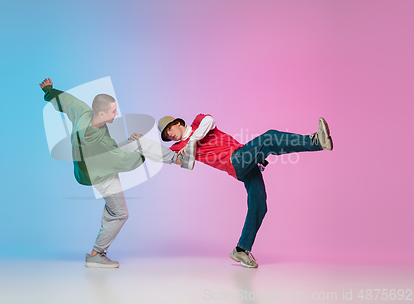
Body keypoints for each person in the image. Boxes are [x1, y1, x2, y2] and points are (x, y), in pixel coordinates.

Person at [39, 78, 194, 268]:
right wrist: (142, 154)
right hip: (98, 173)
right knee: (120, 213)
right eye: (113, 111)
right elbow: (123, 162)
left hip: (102, 160)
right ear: (102, 113)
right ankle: (96, 254)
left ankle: (179, 160)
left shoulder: (83, 112)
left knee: (139, 143)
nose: (116, 113)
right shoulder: (99, 145)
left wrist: (49, 91)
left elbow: (66, 101)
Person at [157, 114, 333, 268]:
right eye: (166, 135)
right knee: (269, 138)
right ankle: (316, 141)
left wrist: (193, 141)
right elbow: (175, 160)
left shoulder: (197, 122)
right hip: (236, 162)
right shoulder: (178, 147)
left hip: (243, 156)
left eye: (169, 129)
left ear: (178, 123)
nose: (170, 135)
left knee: (259, 205)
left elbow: (209, 121)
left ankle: (241, 249)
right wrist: (140, 145)